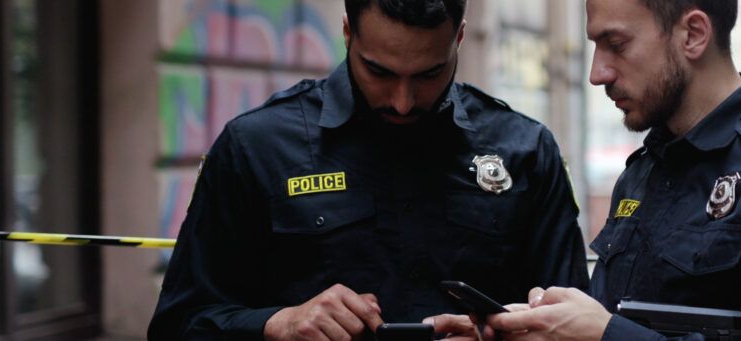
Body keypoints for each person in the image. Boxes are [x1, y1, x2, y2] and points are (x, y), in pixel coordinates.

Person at [147, 0, 589, 339]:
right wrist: (277, 324)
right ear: (347, 33)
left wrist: (500, 332)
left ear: (459, 39)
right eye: (378, 71)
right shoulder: (257, 147)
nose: (402, 100)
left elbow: (575, 324)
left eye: (429, 74)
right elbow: (178, 324)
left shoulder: (524, 151)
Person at [485, 0, 741, 340]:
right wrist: (528, 327)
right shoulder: (643, 172)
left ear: (693, 34)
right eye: (595, 46)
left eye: (616, 44)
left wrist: (607, 335)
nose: (597, 73)